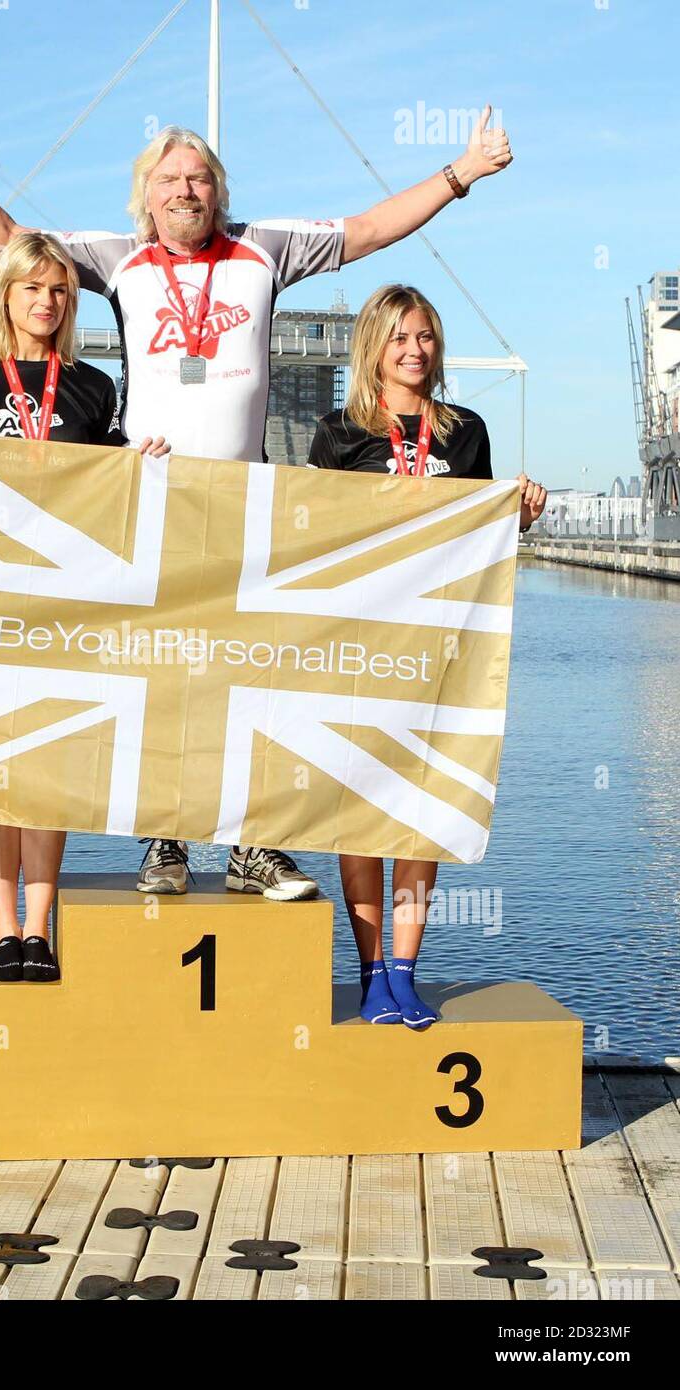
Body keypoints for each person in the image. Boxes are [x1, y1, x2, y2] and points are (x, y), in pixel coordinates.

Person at [0, 89, 514, 902]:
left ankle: (253, 847)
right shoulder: (117, 259)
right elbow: (7, 242)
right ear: (144, 198)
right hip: (147, 498)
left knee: (255, 671)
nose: (183, 191)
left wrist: (461, 171)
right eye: (168, 180)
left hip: (245, 499)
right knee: (161, 672)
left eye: (197, 179)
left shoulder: (263, 249)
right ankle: (165, 839)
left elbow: (368, 230)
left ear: (218, 191)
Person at [0, 231, 170, 983]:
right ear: (4, 294)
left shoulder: (92, 388)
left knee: (48, 764)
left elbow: (105, 493)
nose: (46, 301)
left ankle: (40, 929)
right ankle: (2, 928)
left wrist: (138, 467)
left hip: (66, 603)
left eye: (60, 290)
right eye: (32, 287)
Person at [307, 283, 547, 1027]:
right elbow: (313, 545)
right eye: (400, 337)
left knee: (422, 811)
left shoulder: (463, 433)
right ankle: (370, 968)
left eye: (427, 338)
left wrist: (521, 520)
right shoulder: (337, 434)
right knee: (357, 815)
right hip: (359, 648)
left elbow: (480, 545)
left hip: (439, 650)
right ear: (373, 347)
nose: (415, 351)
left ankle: (406, 973)